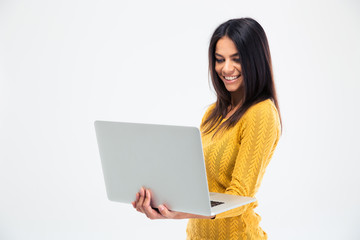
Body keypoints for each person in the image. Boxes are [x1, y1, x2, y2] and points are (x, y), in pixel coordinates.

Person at [132, 17, 282, 240]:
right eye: (219, 59)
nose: (226, 68)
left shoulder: (261, 112)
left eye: (236, 59)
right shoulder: (212, 114)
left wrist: (178, 213)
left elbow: (240, 197)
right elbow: (196, 186)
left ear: (255, 60)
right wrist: (159, 200)